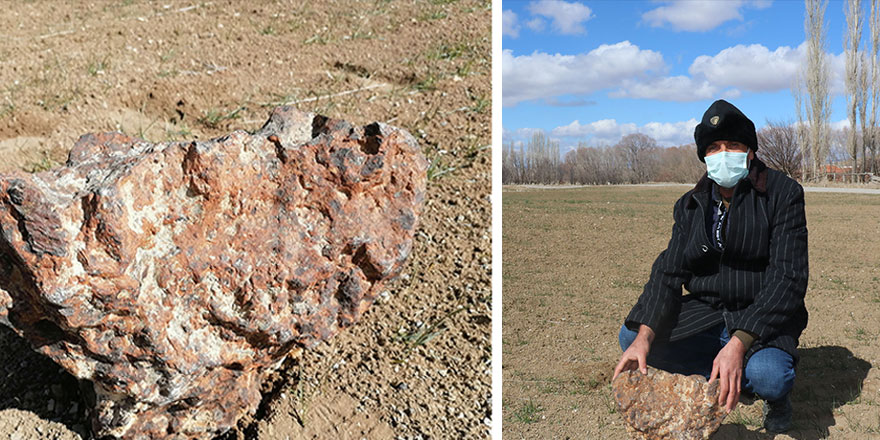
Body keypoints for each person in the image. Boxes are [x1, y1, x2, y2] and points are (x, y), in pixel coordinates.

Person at [612, 99, 808, 433]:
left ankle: (760, 385)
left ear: (750, 151)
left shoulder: (782, 194)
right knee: (631, 334)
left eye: (733, 145)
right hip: (708, 311)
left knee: (770, 377)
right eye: (714, 147)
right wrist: (645, 335)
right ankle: (722, 373)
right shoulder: (690, 204)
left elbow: (788, 278)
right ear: (704, 156)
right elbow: (668, 271)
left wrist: (739, 342)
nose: (723, 153)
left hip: (759, 313)